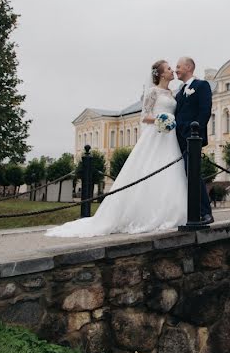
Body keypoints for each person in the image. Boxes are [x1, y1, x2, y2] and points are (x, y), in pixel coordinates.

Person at [45, 60, 187, 237]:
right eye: (168, 68)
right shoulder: (152, 92)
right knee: (151, 169)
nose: (172, 70)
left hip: (169, 138)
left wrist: (169, 121)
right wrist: (161, 120)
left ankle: (172, 212)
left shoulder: (172, 93)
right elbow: (145, 116)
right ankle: (147, 214)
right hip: (156, 135)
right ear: (160, 74)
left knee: (170, 171)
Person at [173, 56, 214, 224]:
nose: (176, 70)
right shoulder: (180, 91)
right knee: (183, 175)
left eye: (178, 66)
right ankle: (190, 212)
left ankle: (206, 213)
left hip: (192, 139)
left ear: (189, 67)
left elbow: (205, 111)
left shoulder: (201, 86)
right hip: (177, 139)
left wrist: (194, 133)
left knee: (194, 174)